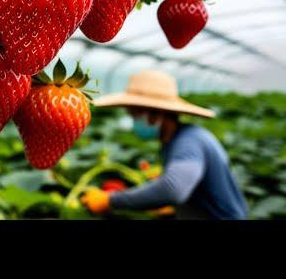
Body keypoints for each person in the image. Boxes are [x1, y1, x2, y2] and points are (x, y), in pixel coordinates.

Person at [80, 70, 247, 220]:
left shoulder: (189, 141)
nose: (133, 122)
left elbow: (173, 189)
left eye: (135, 115)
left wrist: (109, 200)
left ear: (155, 114)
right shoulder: (176, 139)